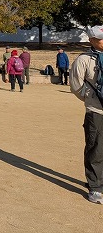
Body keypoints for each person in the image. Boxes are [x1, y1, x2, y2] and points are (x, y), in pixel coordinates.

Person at [69, 25, 103, 204]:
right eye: (100, 39)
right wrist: (90, 99)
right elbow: (76, 85)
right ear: (91, 40)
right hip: (96, 111)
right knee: (95, 148)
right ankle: (95, 187)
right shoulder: (83, 59)